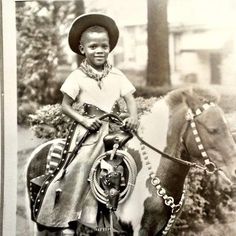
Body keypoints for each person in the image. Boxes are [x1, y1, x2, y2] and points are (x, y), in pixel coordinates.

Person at [33, 13, 138, 234]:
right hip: (89, 130)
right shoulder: (77, 76)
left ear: (109, 48)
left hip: (115, 128)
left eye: (104, 46)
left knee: (132, 161)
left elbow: (129, 99)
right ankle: (69, 217)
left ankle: (124, 215)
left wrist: (133, 116)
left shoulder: (117, 75)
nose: (99, 51)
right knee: (81, 166)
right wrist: (84, 120)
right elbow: (65, 106)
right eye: (93, 47)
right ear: (83, 50)